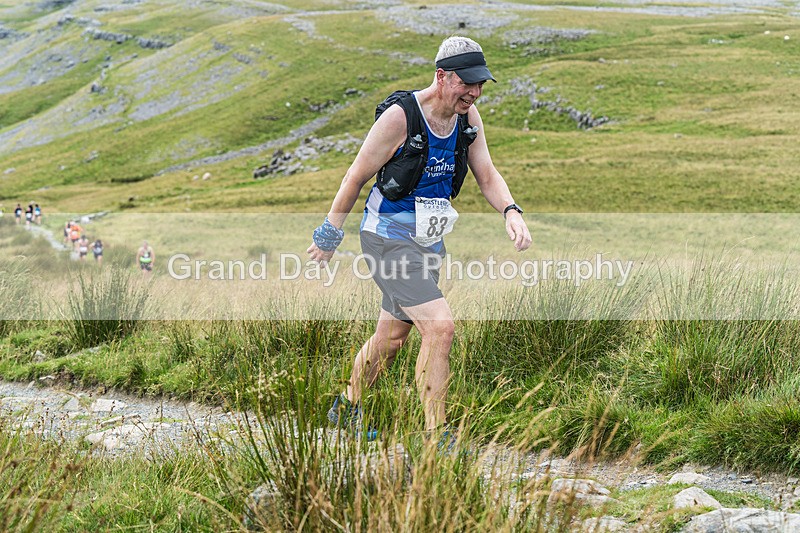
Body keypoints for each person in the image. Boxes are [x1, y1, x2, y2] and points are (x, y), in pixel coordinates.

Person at [307, 36, 531, 442]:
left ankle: (346, 408)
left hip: (428, 242)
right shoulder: (400, 118)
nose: (475, 92)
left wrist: (511, 211)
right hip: (387, 238)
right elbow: (355, 176)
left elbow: (487, 174)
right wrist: (329, 234)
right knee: (440, 328)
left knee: (391, 338)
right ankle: (437, 438)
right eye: (468, 83)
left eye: (481, 84)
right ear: (443, 76)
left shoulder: (468, 119)